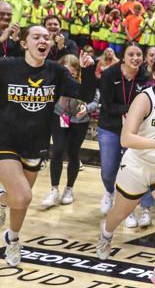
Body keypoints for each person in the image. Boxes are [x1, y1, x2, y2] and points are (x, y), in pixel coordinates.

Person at [0, 25, 96, 266]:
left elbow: (83, 94)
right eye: (36, 37)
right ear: (24, 43)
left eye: (47, 37)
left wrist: (88, 71)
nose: (43, 40)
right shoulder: (7, 66)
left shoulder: (56, 71)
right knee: (22, 196)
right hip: (5, 140)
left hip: (36, 143)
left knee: (20, 200)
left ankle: (12, 238)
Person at [95, 56, 155, 288]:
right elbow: (126, 139)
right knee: (120, 213)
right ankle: (106, 233)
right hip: (137, 164)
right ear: (154, 74)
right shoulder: (145, 99)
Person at [97, 44, 155, 227]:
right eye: (131, 54)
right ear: (123, 57)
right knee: (108, 170)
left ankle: (145, 209)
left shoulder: (146, 77)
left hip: (137, 130)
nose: (135, 58)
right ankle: (109, 191)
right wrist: (128, 111)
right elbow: (106, 105)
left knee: (140, 169)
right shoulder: (109, 75)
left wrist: (134, 116)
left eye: (139, 54)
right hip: (110, 127)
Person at [41, 54, 99, 209]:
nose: (69, 75)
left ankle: (69, 189)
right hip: (63, 116)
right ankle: (54, 189)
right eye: (66, 71)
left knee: (73, 153)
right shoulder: (56, 79)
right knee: (58, 149)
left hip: (80, 120)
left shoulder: (86, 79)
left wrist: (87, 108)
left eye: (72, 72)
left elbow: (95, 98)